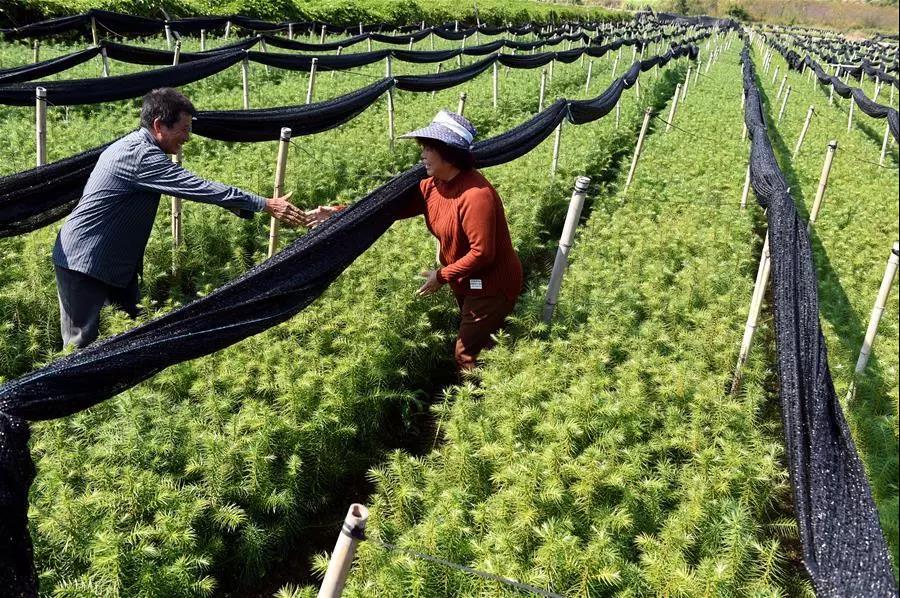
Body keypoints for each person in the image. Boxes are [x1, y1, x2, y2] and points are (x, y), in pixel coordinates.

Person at [52, 87, 310, 349]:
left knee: (133, 332)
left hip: (115, 261)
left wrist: (236, 205)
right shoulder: (141, 156)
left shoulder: (137, 146)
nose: (187, 137)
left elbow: (197, 190)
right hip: (82, 260)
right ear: (159, 125)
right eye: (184, 129)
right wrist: (264, 204)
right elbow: (198, 186)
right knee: (80, 343)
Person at [309, 110, 522, 370]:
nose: (422, 155)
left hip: (492, 285)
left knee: (465, 354)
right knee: (484, 342)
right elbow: (387, 210)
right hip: (466, 280)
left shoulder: (476, 195)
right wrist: (338, 213)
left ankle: (480, 394)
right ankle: (501, 371)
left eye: (429, 148)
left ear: (448, 153)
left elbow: (483, 253)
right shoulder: (432, 186)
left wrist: (441, 276)